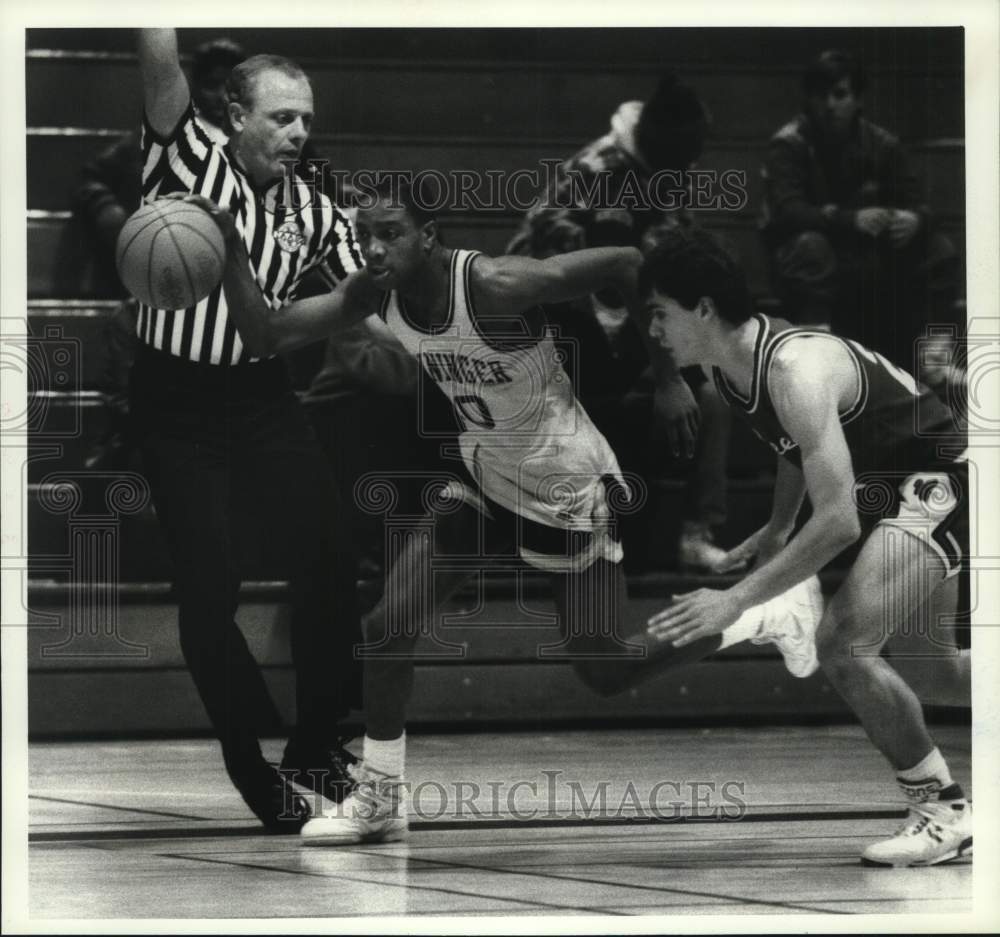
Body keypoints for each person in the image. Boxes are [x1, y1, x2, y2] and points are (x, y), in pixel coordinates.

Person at [191, 176, 826, 847]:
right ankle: (380, 798)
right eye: (364, 235)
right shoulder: (371, 294)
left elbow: (626, 262)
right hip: (483, 474)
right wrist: (232, 246)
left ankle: (762, 614)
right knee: (385, 627)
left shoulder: (495, 285)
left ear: (429, 237)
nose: (372, 249)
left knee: (604, 668)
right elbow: (264, 333)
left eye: (390, 233)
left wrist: (668, 377)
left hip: (566, 485)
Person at [640, 226, 971, 868]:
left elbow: (841, 522)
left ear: (703, 308)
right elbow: (798, 449)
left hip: (943, 476)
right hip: (903, 486)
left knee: (843, 645)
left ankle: (942, 812)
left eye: (659, 313)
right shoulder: (735, 363)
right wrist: (778, 528)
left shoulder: (793, 366)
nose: (652, 331)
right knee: (938, 673)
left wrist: (731, 602)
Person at [129, 28, 363, 832]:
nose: (299, 132)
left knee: (332, 557)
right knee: (209, 583)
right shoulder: (186, 155)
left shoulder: (317, 208)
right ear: (235, 113)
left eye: (307, 119)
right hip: (174, 398)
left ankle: (318, 743)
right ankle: (248, 763)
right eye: (282, 117)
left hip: (262, 396)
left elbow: (371, 294)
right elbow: (159, 62)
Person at [506, 73, 736, 572]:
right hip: (561, 321)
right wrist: (611, 242)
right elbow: (543, 249)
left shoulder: (670, 170)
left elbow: (679, 260)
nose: (691, 168)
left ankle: (697, 529)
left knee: (715, 395)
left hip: (634, 323)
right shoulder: (593, 168)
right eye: (686, 158)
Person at [72, 37, 247, 470]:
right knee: (131, 321)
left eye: (231, 86)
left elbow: (312, 184)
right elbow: (91, 177)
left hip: (240, 274)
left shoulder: (262, 140)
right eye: (210, 84)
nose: (220, 96)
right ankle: (133, 433)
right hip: (172, 266)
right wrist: (113, 216)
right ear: (193, 86)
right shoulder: (162, 134)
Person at [760, 49, 960, 380]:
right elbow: (787, 212)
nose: (829, 105)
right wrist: (849, 219)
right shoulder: (789, 144)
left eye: (840, 94)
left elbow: (919, 203)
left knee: (937, 248)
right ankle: (816, 360)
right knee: (810, 245)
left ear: (857, 99)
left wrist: (914, 220)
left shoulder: (883, 144)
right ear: (808, 99)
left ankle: (934, 363)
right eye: (820, 95)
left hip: (868, 262)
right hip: (804, 265)